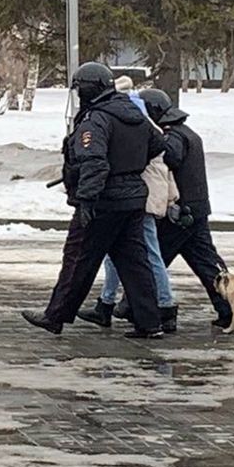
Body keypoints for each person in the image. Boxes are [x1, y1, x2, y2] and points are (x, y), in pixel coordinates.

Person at [21, 62, 166, 339]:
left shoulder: (97, 119)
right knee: (135, 263)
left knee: (78, 259)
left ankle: (55, 316)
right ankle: (149, 322)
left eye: (79, 89)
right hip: (133, 198)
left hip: (103, 202)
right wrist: (129, 167)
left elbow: (94, 161)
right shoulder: (132, 112)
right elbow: (158, 145)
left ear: (89, 89)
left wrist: (86, 200)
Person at [79, 77, 180, 333]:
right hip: (141, 193)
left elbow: (158, 155)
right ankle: (107, 302)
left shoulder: (136, 123)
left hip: (139, 195)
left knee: (146, 254)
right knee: (121, 255)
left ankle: (164, 305)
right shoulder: (141, 122)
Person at [138, 88, 233, 330]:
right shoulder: (187, 132)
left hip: (180, 213)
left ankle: (143, 307)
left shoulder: (172, 136)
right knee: (206, 263)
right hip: (196, 209)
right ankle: (229, 307)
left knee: (151, 259)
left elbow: (171, 157)